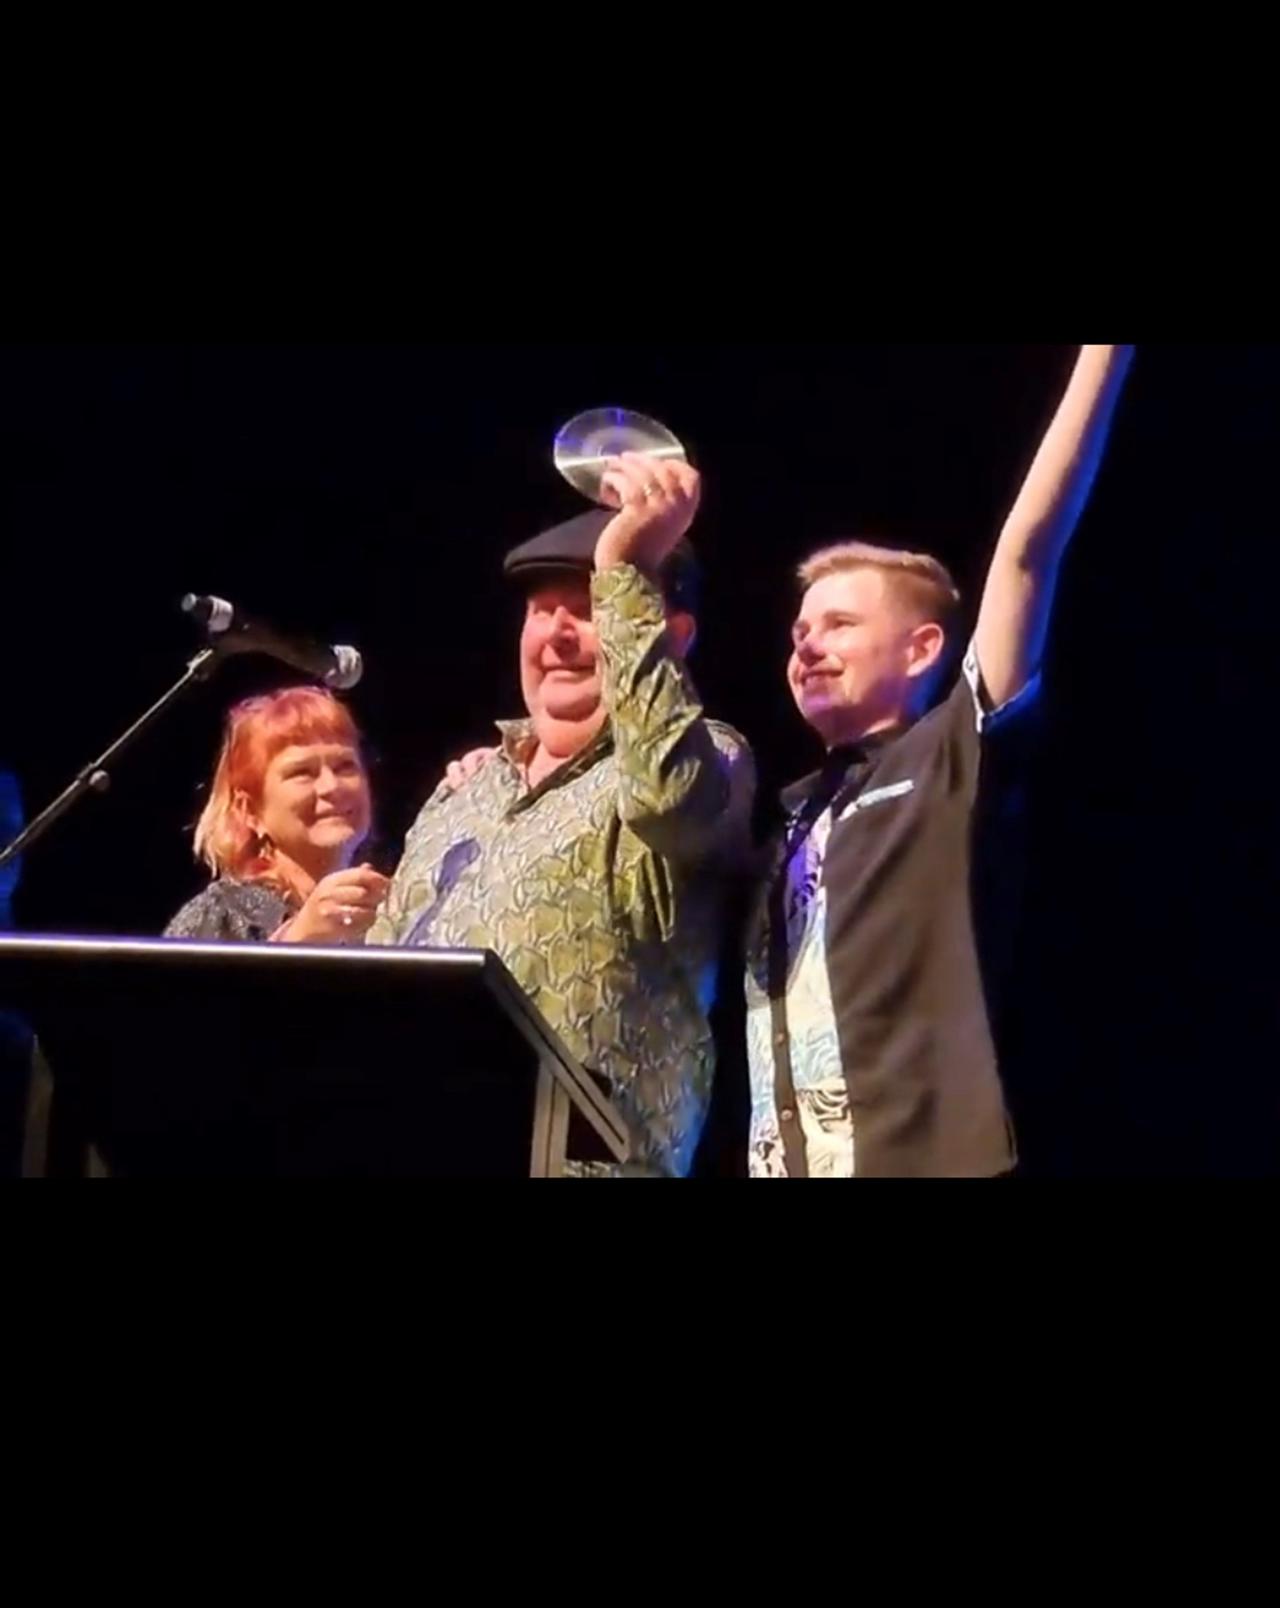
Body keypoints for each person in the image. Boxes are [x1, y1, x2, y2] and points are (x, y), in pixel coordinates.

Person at [746, 343, 1136, 1178]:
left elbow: (1028, 551)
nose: (807, 644)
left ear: (922, 648)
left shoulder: (952, 753)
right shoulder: (783, 822)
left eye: (840, 624)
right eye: (799, 631)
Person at [368, 454, 756, 1178]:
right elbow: (382, 974)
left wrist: (625, 566)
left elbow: (670, 800)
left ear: (669, 634)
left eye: (586, 607)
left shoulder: (709, 762)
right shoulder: (463, 792)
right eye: (539, 613)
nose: (555, 634)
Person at [166, 687, 388, 943]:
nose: (331, 786)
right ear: (250, 811)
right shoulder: (220, 914)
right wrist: (303, 938)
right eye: (302, 772)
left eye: (345, 766)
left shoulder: (390, 911)